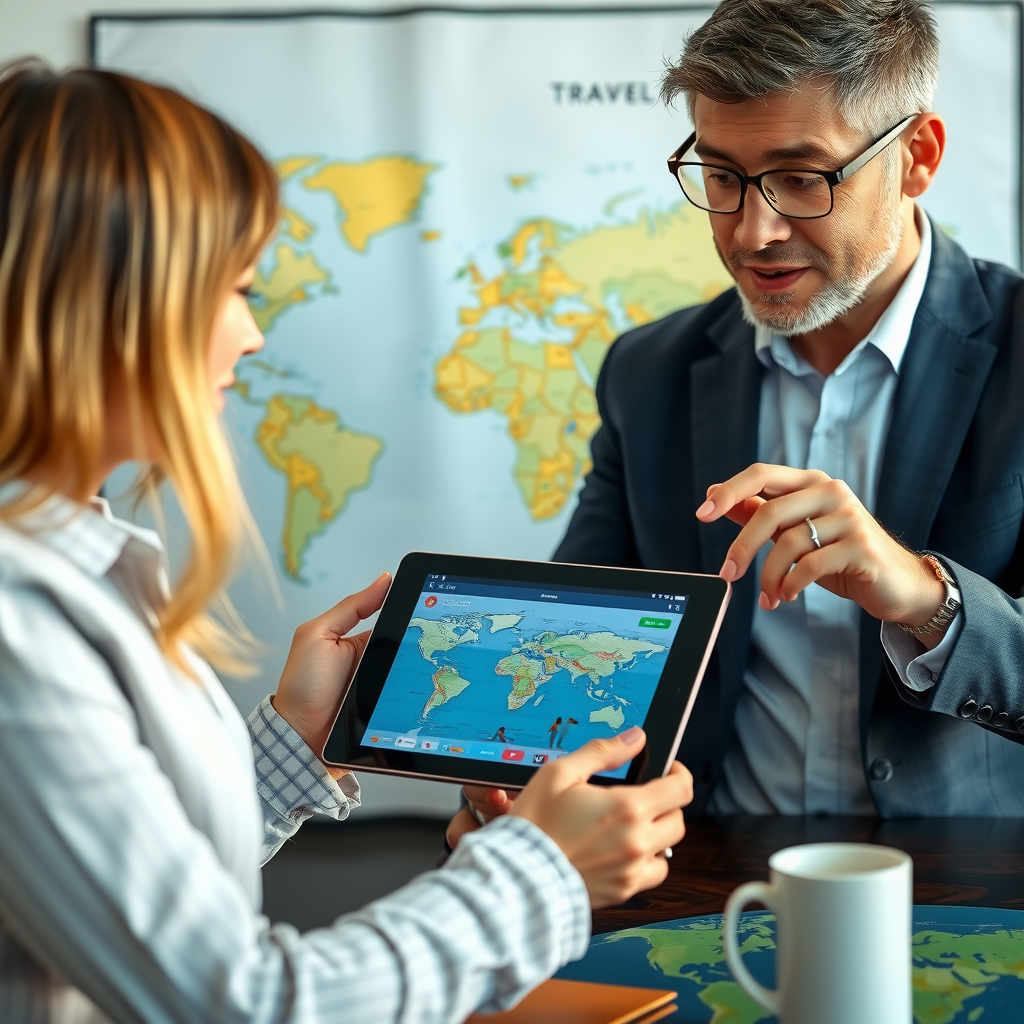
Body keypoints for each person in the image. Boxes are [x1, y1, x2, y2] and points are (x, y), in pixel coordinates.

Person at [0, 62, 693, 1024]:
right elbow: (239, 1003)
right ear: (111, 306)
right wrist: (541, 868)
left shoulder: (72, 562)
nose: (249, 337)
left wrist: (297, 737)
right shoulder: (18, 627)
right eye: (236, 288)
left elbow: (137, 890)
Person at [455, 0, 1024, 831]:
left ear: (917, 156)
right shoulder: (649, 372)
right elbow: (581, 642)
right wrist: (504, 786)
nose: (753, 232)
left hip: (968, 894)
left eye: (803, 178)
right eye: (722, 177)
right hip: (705, 886)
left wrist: (923, 598)